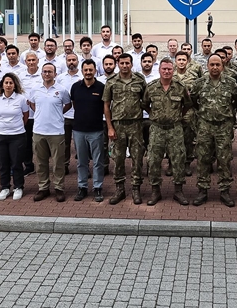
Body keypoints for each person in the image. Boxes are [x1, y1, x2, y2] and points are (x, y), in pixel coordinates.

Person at [142, 58, 192, 206]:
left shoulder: (180, 87)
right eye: (164, 69)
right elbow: (145, 104)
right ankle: (155, 191)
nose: (166, 71)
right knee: (153, 160)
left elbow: (187, 104)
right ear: (159, 70)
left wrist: (177, 116)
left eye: (169, 69)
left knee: (178, 160)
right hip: (157, 129)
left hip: (175, 129)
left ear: (173, 70)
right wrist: (154, 115)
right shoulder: (151, 87)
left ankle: (178, 191)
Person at [191, 54, 237, 207]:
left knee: (224, 159)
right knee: (203, 159)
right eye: (212, 64)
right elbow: (193, 101)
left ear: (222, 66)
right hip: (205, 126)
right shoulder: (199, 83)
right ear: (207, 66)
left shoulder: (231, 83)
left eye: (218, 65)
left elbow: (235, 101)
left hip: (223, 127)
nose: (215, 67)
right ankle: (202, 190)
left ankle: (225, 191)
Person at [103, 53, 147, 205]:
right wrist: (110, 127)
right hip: (118, 125)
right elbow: (106, 105)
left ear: (131, 64)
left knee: (137, 158)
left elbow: (145, 100)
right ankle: (119, 189)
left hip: (136, 124)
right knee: (118, 158)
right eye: (122, 63)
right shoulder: (111, 81)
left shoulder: (139, 80)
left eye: (127, 63)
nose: (124, 66)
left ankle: (136, 189)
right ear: (118, 64)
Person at [28, 63, 71, 201]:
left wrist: (57, 113)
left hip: (56, 131)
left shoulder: (62, 90)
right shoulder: (35, 89)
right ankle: (43, 188)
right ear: (41, 73)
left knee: (58, 162)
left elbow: (68, 104)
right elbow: (31, 103)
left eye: (50, 72)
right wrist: (39, 113)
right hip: (39, 130)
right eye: (45, 71)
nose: (47, 74)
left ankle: (59, 187)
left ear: (55, 74)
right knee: (41, 162)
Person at [70, 59, 107, 202]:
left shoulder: (101, 87)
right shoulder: (75, 87)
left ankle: (97, 187)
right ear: (82, 71)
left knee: (98, 161)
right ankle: (82, 187)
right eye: (85, 70)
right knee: (81, 161)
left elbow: (105, 107)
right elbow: (75, 104)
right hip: (79, 130)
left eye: (91, 70)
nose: (88, 72)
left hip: (96, 130)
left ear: (95, 71)